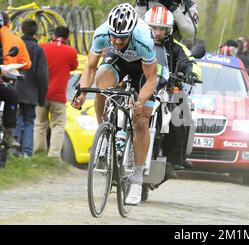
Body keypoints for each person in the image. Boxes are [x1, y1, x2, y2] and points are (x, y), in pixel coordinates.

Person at [72, 3, 158, 205]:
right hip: (118, 61)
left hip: (143, 69)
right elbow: (90, 68)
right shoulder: (102, 33)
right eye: (115, 37)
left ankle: (137, 178)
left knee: (141, 121)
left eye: (123, 37)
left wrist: (141, 101)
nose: (118, 41)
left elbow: (152, 78)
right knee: (102, 83)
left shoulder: (143, 38)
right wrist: (83, 92)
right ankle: (104, 130)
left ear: (130, 33)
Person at [144, 5, 199, 180]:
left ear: (169, 30)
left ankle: (173, 159)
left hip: (165, 89)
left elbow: (187, 61)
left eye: (162, 29)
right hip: (139, 87)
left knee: (180, 111)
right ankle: (110, 144)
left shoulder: (175, 47)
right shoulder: (137, 43)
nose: (157, 32)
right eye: (153, 27)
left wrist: (190, 72)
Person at [34, 26, 77, 159]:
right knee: (58, 125)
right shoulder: (71, 51)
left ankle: (39, 153)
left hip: (41, 94)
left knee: (40, 124)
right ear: (68, 38)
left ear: (53, 35)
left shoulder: (42, 47)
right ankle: (54, 156)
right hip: (59, 96)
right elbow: (73, 66)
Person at [14, 20, 48, 157]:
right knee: (29, 121)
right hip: (31, 92)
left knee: (16, 119)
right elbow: (42, 75)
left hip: (14, 90)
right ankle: (27, 153)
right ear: (35, 32)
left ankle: (14, 151)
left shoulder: (16, 45)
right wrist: (41, 97)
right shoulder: (38, 49)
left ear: (22, 29)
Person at [0, 12, 32, 149]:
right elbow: (27, 63)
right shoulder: (15, 39)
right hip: (6, 75)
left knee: (12, 94)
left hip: (5, 78)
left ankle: (8, 132)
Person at [135, 0, 199, 42]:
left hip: (172, 50)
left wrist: (173, 7)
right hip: (145, 43)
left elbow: (189, 34)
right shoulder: (148, 1)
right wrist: (141, 4)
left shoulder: (189, 5)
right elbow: (136, 28)